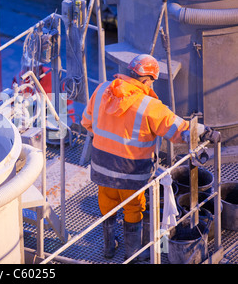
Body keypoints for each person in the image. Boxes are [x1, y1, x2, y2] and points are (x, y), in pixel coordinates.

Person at [81, 54, 220, 262]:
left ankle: (109, 249)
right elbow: (180, 130)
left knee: (107, 202)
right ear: (147, 80)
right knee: (133, 208)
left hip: (101, 166)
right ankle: (133, 254)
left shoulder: (102, 90)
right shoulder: (149, 106)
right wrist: (206, 131)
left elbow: (87, 123)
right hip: (130, 172)